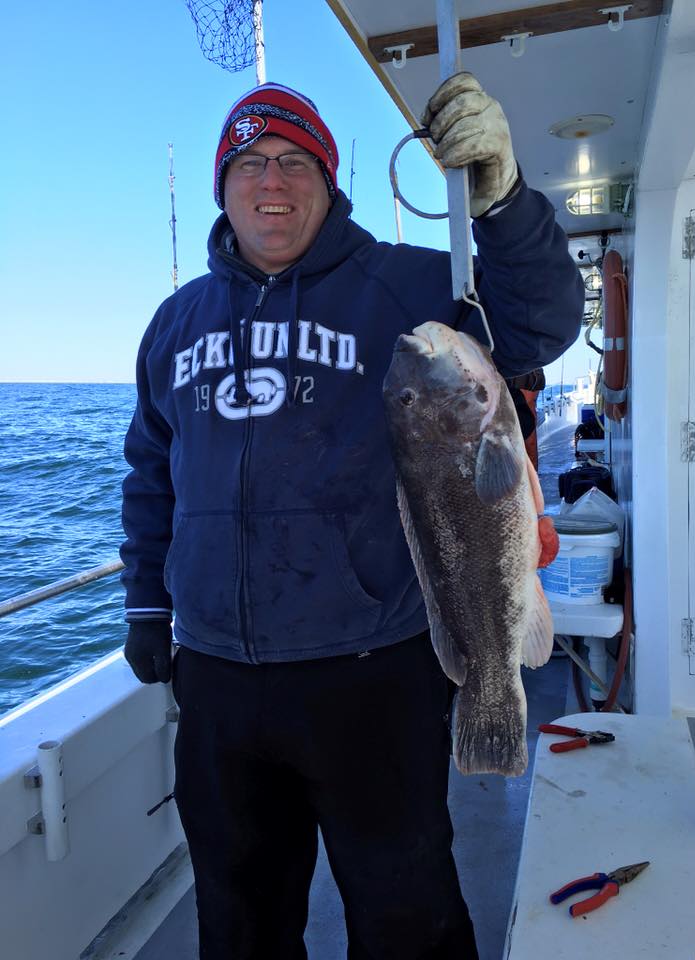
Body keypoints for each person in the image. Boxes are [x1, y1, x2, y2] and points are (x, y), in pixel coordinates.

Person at [121, 77, 584, 959]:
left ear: (329, 183)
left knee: (406, 915)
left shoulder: (409, 286)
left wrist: (502, 201)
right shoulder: (174, 324)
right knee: (240, 921)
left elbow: (541, 323)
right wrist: (148, 606)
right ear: (222, 186)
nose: (272, 181)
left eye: (296, 162)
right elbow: (151, 473)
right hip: (216, 677)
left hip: (373, 669)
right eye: (250, 163)